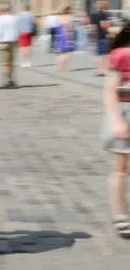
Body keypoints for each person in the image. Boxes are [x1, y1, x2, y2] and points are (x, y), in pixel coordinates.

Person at [102, 21, 130, 238]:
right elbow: (110, 91)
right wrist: (118, 121)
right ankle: (120, 215)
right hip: (125, 112)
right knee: (121, 168)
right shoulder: (121, 54)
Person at [0, 3, 19, 88]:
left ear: (1, 10)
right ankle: (10, 80)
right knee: (10, 62)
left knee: (4, 63)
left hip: (2, 42)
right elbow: (18, 30)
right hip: (13, 42)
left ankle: (7, 81)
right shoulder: (15, 19)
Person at [91, 0, 111, 76]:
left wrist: (94, 36)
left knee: (98, 54)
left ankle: (97, 70)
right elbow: (105, 26)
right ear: (104, 6)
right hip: (104, 35)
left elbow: (92, 28)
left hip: (97, 36)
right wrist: (109, 27)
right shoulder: (105, 14)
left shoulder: (93, 14)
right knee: (105, 55)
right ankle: (104, 70)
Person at [55, 5, 75, 72]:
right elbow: (70, 27)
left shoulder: (59, 17)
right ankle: (65, 68)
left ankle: (59, 67)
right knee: (67, 53)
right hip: (66, 34)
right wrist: (71, 36)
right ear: (67, 11)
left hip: (60, 35)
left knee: (61, 53)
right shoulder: (68, 17)